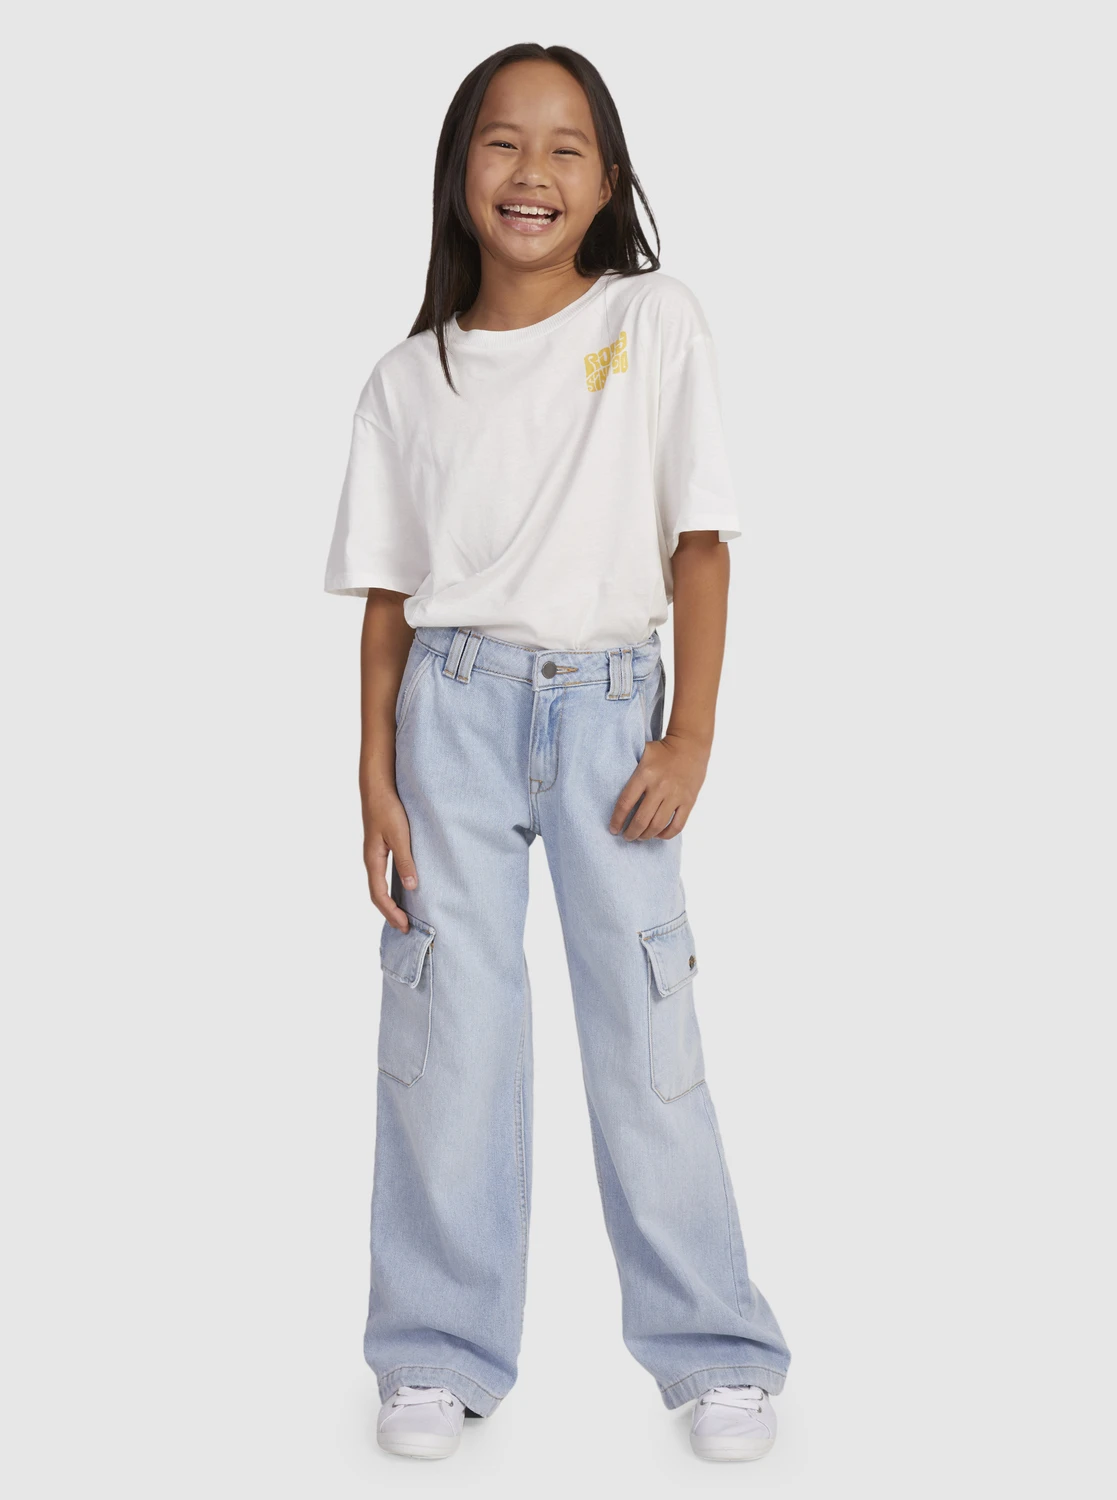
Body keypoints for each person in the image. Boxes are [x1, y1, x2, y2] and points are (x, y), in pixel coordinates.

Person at [324, 41, 791, 1463]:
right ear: (459, 170)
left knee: (647, 1033)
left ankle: (716, 1350)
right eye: (502, 142)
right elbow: (390, 605)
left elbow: (699, 542)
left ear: (606, 180)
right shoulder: (409, 379)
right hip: (450, 720)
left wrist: (691, 732)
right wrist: (373, 779)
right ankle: (434, 1349)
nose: (532, 172)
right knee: (446, 1037)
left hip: (610, 720)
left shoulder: (652, 323)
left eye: (566, 147)